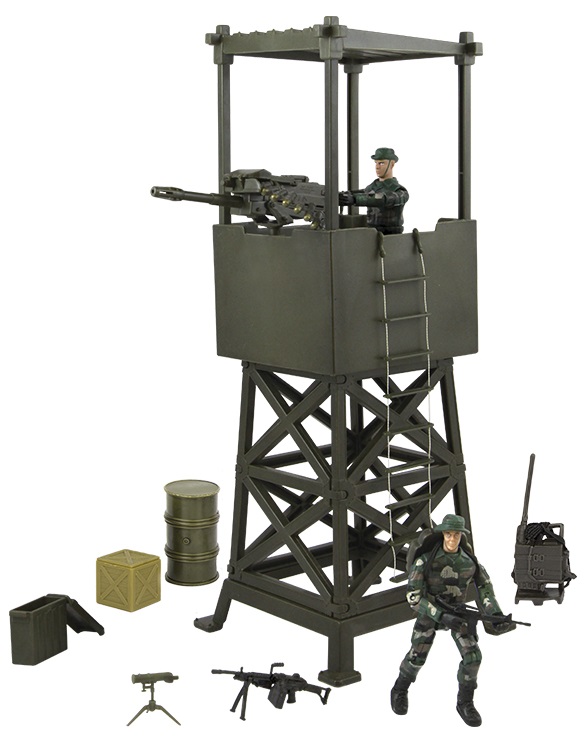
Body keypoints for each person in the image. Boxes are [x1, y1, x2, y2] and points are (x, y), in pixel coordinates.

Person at [390, 514, 514, 727]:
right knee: (417, 656)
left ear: (461, 536)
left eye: (456, 535)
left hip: (458, 613)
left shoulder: (469, 562)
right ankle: (400, 689)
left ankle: (465, 702)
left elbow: (485, 587)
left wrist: (494, 614)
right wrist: (440, 615)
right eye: (448, 534)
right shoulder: (425, 561)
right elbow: (413, 597)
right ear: (443, 534)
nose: (452, 539)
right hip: (430, 611)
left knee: (473, 656)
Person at [339, 147, 409, 234]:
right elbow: (362, 193)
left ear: (392, 164)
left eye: (381, 163)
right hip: (371, 233)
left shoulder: (400, 192)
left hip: (391, 236)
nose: (377, 167)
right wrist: (344, 196)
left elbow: (382, 199)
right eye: (376, 163)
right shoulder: (372, 188)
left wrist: (355, 199)